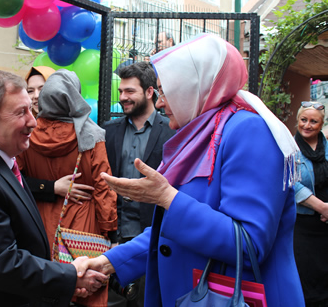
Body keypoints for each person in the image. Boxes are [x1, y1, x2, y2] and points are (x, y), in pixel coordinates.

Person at [84, 33, 305, 306]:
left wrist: (167, 197)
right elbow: (170, 233)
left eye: (165, 91)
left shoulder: (249, 131)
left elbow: (249, 245)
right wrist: (107, 263)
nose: (160, 103)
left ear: (195, 86)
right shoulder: (201, 133)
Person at [0, 70, 108, 307]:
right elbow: (2, 263)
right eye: (21, 112)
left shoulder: (0, 160)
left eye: (30, 108)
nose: (33, 121)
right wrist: (70, 275)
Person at [17, 69, 118, 307]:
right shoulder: (92, 135)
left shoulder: (27, 133)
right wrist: (110, 232)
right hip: (84, 222)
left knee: (47, 286)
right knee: (87, 284)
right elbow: (104, 188)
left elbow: (16, 178)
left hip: (40, 220)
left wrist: (49, 187)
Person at [102, 62, 175, 307]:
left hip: (153, 237)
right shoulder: (108, 131)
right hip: (114, 237)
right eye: (121, 91)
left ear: (149, 92)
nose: (123, 97)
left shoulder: (173, 132)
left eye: (130, 91)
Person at [24, 65, 95, 205]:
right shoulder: (21, 129)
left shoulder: (83, 129)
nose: (37, 96)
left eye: (42, 88)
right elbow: (13, 177)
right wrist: (51, 187)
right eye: (30, 91)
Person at [293, 101, 328, 307]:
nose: (307, 125)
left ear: (321, 124)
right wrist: (322, 208)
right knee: (306, 278)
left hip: (326, 225)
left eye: (313, 121)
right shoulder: (289, 148)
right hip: (303, 226)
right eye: (303, 120)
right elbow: (291, 184)